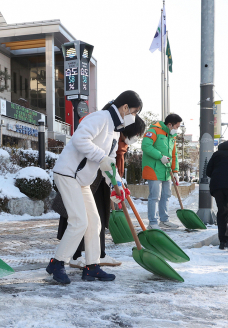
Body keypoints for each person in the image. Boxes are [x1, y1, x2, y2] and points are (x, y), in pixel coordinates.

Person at [48, 90, 143, 284]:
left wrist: (117, 185)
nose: (134, 117)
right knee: (79, 222)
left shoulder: (115, 130)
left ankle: (92, 266)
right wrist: (101, 157)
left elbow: (109, 164)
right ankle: (57, 263)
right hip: (68, 173)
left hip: (82, 179)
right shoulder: (101, 118)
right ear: (125, 108)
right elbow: (79, 140)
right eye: (134, 112)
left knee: (94, 223)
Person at [142, 113, 182, 230]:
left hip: (167, 171)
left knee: (166, 195)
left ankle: (164, 220)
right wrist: (160, 156)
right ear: (170, 124)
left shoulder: (171, 136)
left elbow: (174, 154)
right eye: (176, 127)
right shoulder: (153, 131)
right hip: (154, 170)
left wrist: (175, 171)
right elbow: (146, 146)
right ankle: (152, 223)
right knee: (155, 196)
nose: (177, 130)